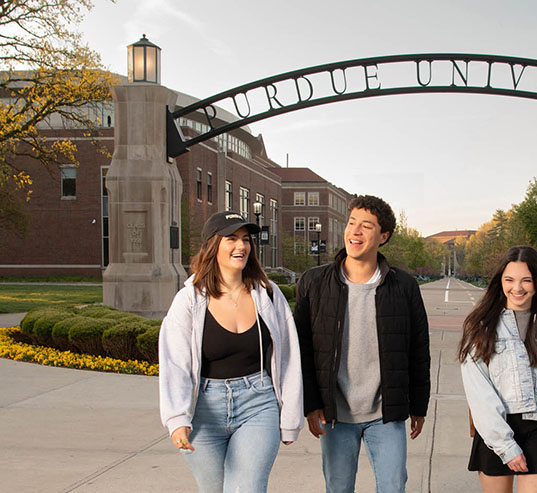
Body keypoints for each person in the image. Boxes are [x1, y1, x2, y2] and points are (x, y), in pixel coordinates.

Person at [294, 195, 431, 493]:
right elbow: (302, 349)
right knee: (339, 487)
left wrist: (419, 405)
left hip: (386, 412)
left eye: (366, 226)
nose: (355, 232)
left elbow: (418, 350)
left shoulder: (403, 286)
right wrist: (311, 404)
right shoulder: (313, 282)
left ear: (383, 236)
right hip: (336, 413)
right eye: (351, 223)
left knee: (393, 485)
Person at [159, 211, 304, 492]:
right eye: (231, 239)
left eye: (246, 239)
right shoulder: (189, 299)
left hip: (258, 404)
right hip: (204, 409)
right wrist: (177, 420)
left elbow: (288, 358)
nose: (241, 246)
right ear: (213, 245)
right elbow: (174, 362)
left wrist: (290, 418)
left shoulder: (268, 294)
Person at [458, 245, 537, 493]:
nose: (517, 288)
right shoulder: (481, 327)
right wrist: (505, 445)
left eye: (526, 280)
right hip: (495, 430)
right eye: (509, 280)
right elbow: (478, 392)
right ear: (500, 281)